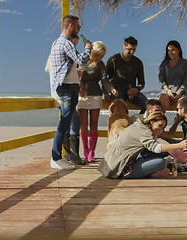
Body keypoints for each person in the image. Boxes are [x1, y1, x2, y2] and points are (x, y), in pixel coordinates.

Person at [47, 14, 93, 169]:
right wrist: (88, 50)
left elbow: (69, 66)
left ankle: (62, 156)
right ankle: (56, 157)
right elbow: (81, 60)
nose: (79, 30)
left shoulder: (58, 43)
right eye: (78, 27)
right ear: (71, 26)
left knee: (68, 121)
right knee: (65, 122)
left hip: (68, 87)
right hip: (67, 88)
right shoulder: (65, 43)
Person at [98, 112, 187, 179]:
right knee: (161, 162)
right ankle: (152, 173)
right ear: (152, 121)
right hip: (119, 170)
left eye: (163, 127)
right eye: (160, 125)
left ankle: (151, 170)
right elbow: (156, 148)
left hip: (111, 164)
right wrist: (179, 145)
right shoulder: (144, 132)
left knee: (164, 153)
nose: (161, 129)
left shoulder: (138, 125)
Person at [46, 36, 84, 166]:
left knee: (68, 122)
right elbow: (60, 77)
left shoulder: (60, 56)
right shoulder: (62, 53)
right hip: (61, 94)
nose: (74, 48)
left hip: (62, 92)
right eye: (75, 44)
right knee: (69, 122)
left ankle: (68, 154)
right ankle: (66, 154)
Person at [77, 41, 118, 162]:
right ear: (92, 52)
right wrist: (79, 89)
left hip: (95, 95)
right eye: (97, 55)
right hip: (81, 95)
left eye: (101, 56)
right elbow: (73, 77)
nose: (99, 58)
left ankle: (91, 153)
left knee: (94, 124)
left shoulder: (100, 65)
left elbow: (104, 80)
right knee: (83, 125)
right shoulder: (80, 60)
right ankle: (85, 149)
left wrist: (111, 88)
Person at [106, 36, 148, 114]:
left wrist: (137, 89)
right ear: (123, 46)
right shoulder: (113, 59)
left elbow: (141, 83)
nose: (132, 52)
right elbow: (103, 78)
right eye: (129, 49)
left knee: (148, 106)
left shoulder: (138, 62)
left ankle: (138, 123)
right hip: (117, 90)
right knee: (121, 109)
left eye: (134, 49)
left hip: (131, 91)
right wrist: (108, 90)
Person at [158, 40, 187, 112]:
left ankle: (175, 123)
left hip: (180, 92)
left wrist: (179, 93)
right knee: (163, 106)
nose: (170, 52)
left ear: (178, 50)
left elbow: (186, 79)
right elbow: (161, 79)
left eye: (173, 50)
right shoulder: (164, 64)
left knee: (183, 109)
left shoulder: (185, 63)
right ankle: (160, 122)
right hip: (166, 91)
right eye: (168, 50)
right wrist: (168, 91)